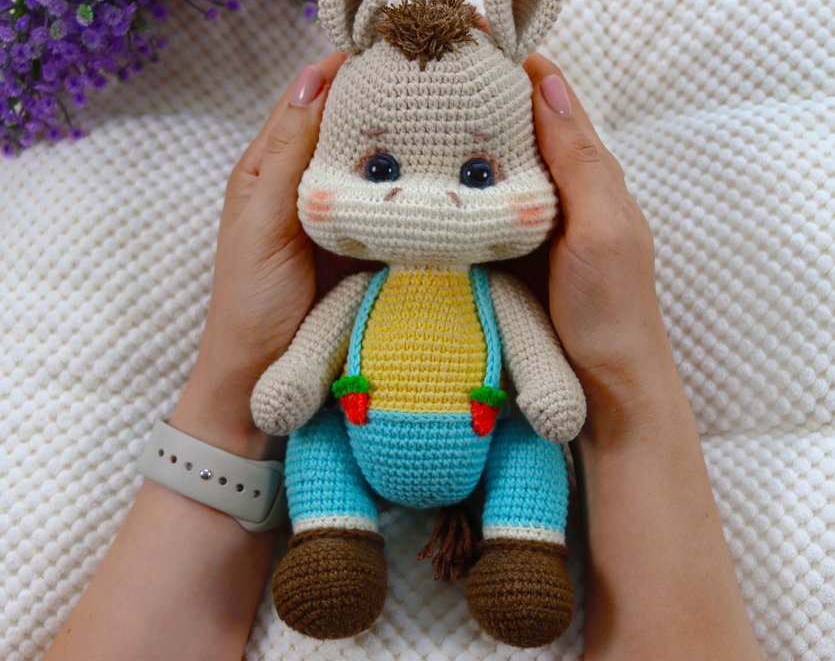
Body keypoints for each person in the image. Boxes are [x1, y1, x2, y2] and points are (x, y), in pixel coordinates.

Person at [42, 50, 763, 661]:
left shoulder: (496, 295)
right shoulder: (358, 291)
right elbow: (307, 364)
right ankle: (333, 541)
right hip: (357, 423)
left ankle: (522, 547)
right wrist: (268, 377)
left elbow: (540, 374)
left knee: (531, 445)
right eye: (380, 166)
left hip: (484, 431)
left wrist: (580, 380)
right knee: (314, 435)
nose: (422, 200)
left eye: (477, 176)